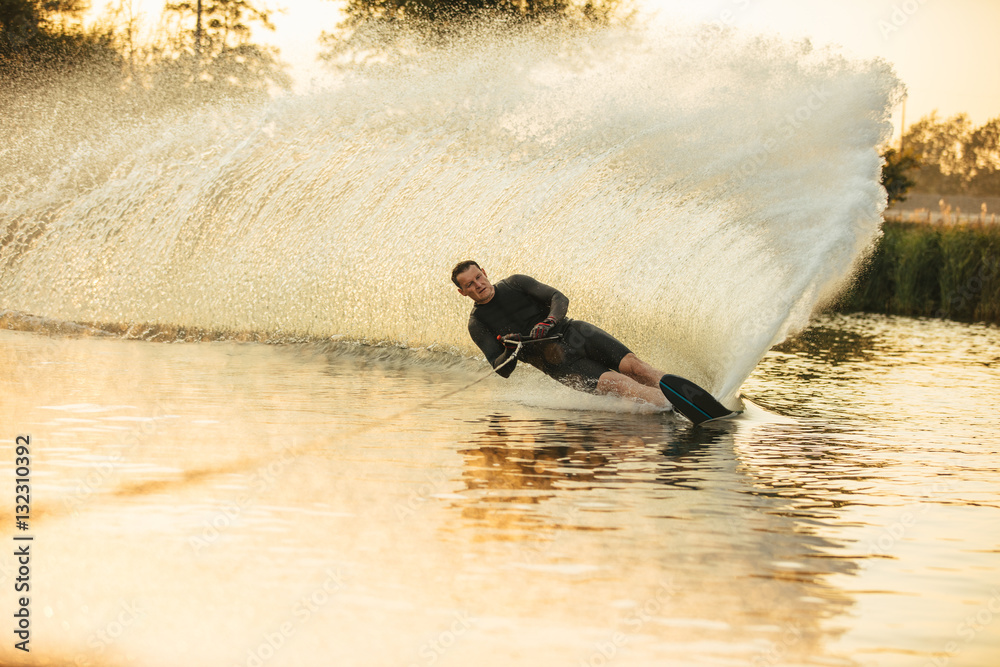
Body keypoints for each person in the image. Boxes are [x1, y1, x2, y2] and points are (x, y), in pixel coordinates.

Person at [451, 260, 669, 407]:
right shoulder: (478, 324)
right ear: (462, 292)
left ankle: (683, 392)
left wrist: (549, 321)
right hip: (559, 364)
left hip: (575, 332)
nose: (478, 285)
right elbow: (502, 370)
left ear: (485, 273)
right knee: (621, 383)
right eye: (470, 284)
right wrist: (510, 349)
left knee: (635, 367)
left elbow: (559, 297)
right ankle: (673, 406)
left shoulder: (515, 283)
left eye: (479, 277)